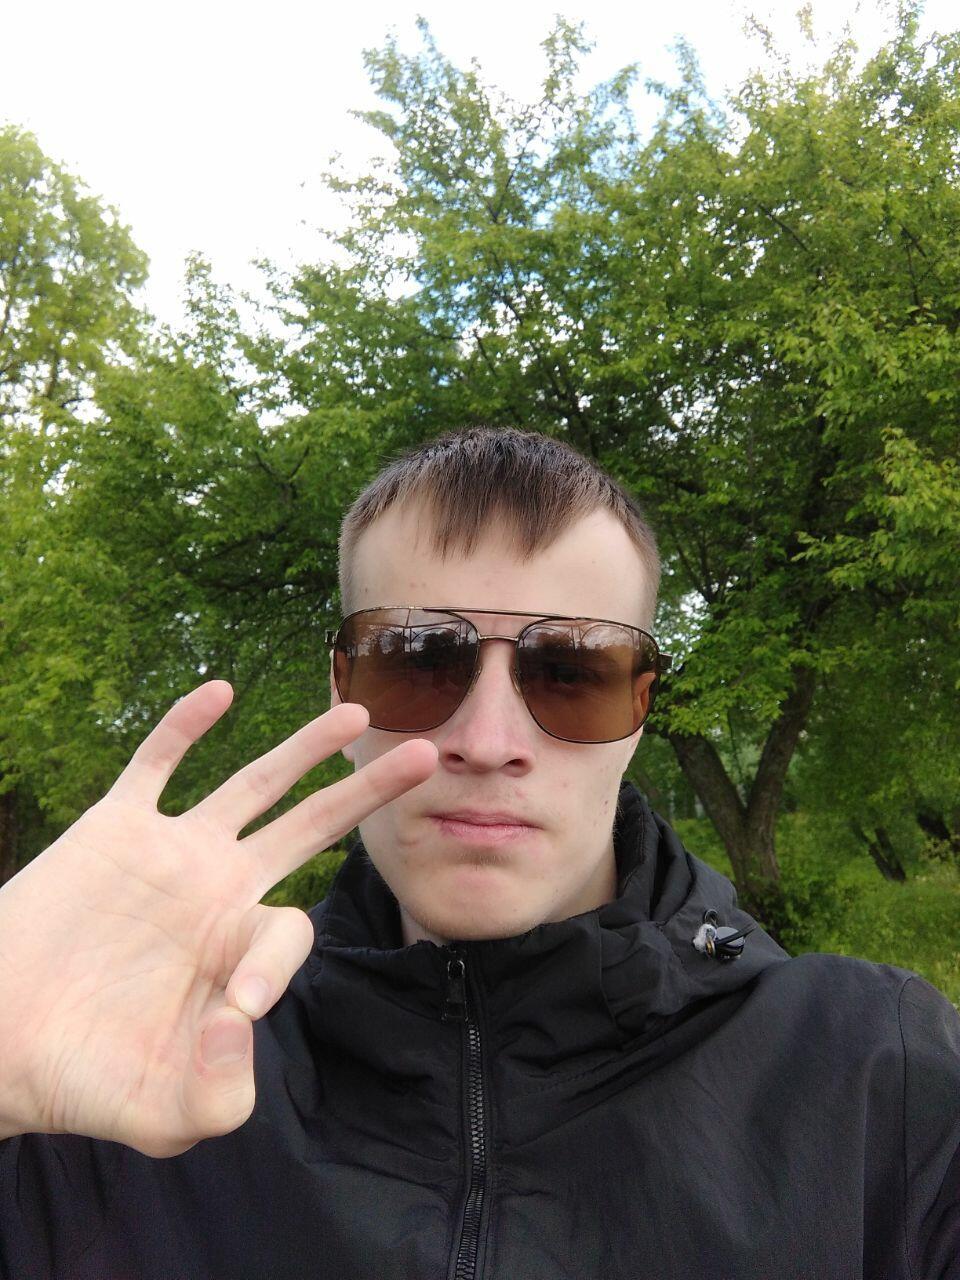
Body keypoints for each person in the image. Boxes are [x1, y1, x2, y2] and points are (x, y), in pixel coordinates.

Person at [0, 427, 957, 1280]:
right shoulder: (123, 1075)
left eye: (570, 672)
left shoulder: (880, 1072)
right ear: (341, 689)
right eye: (417, 663)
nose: (489, 740)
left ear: (639, 711)